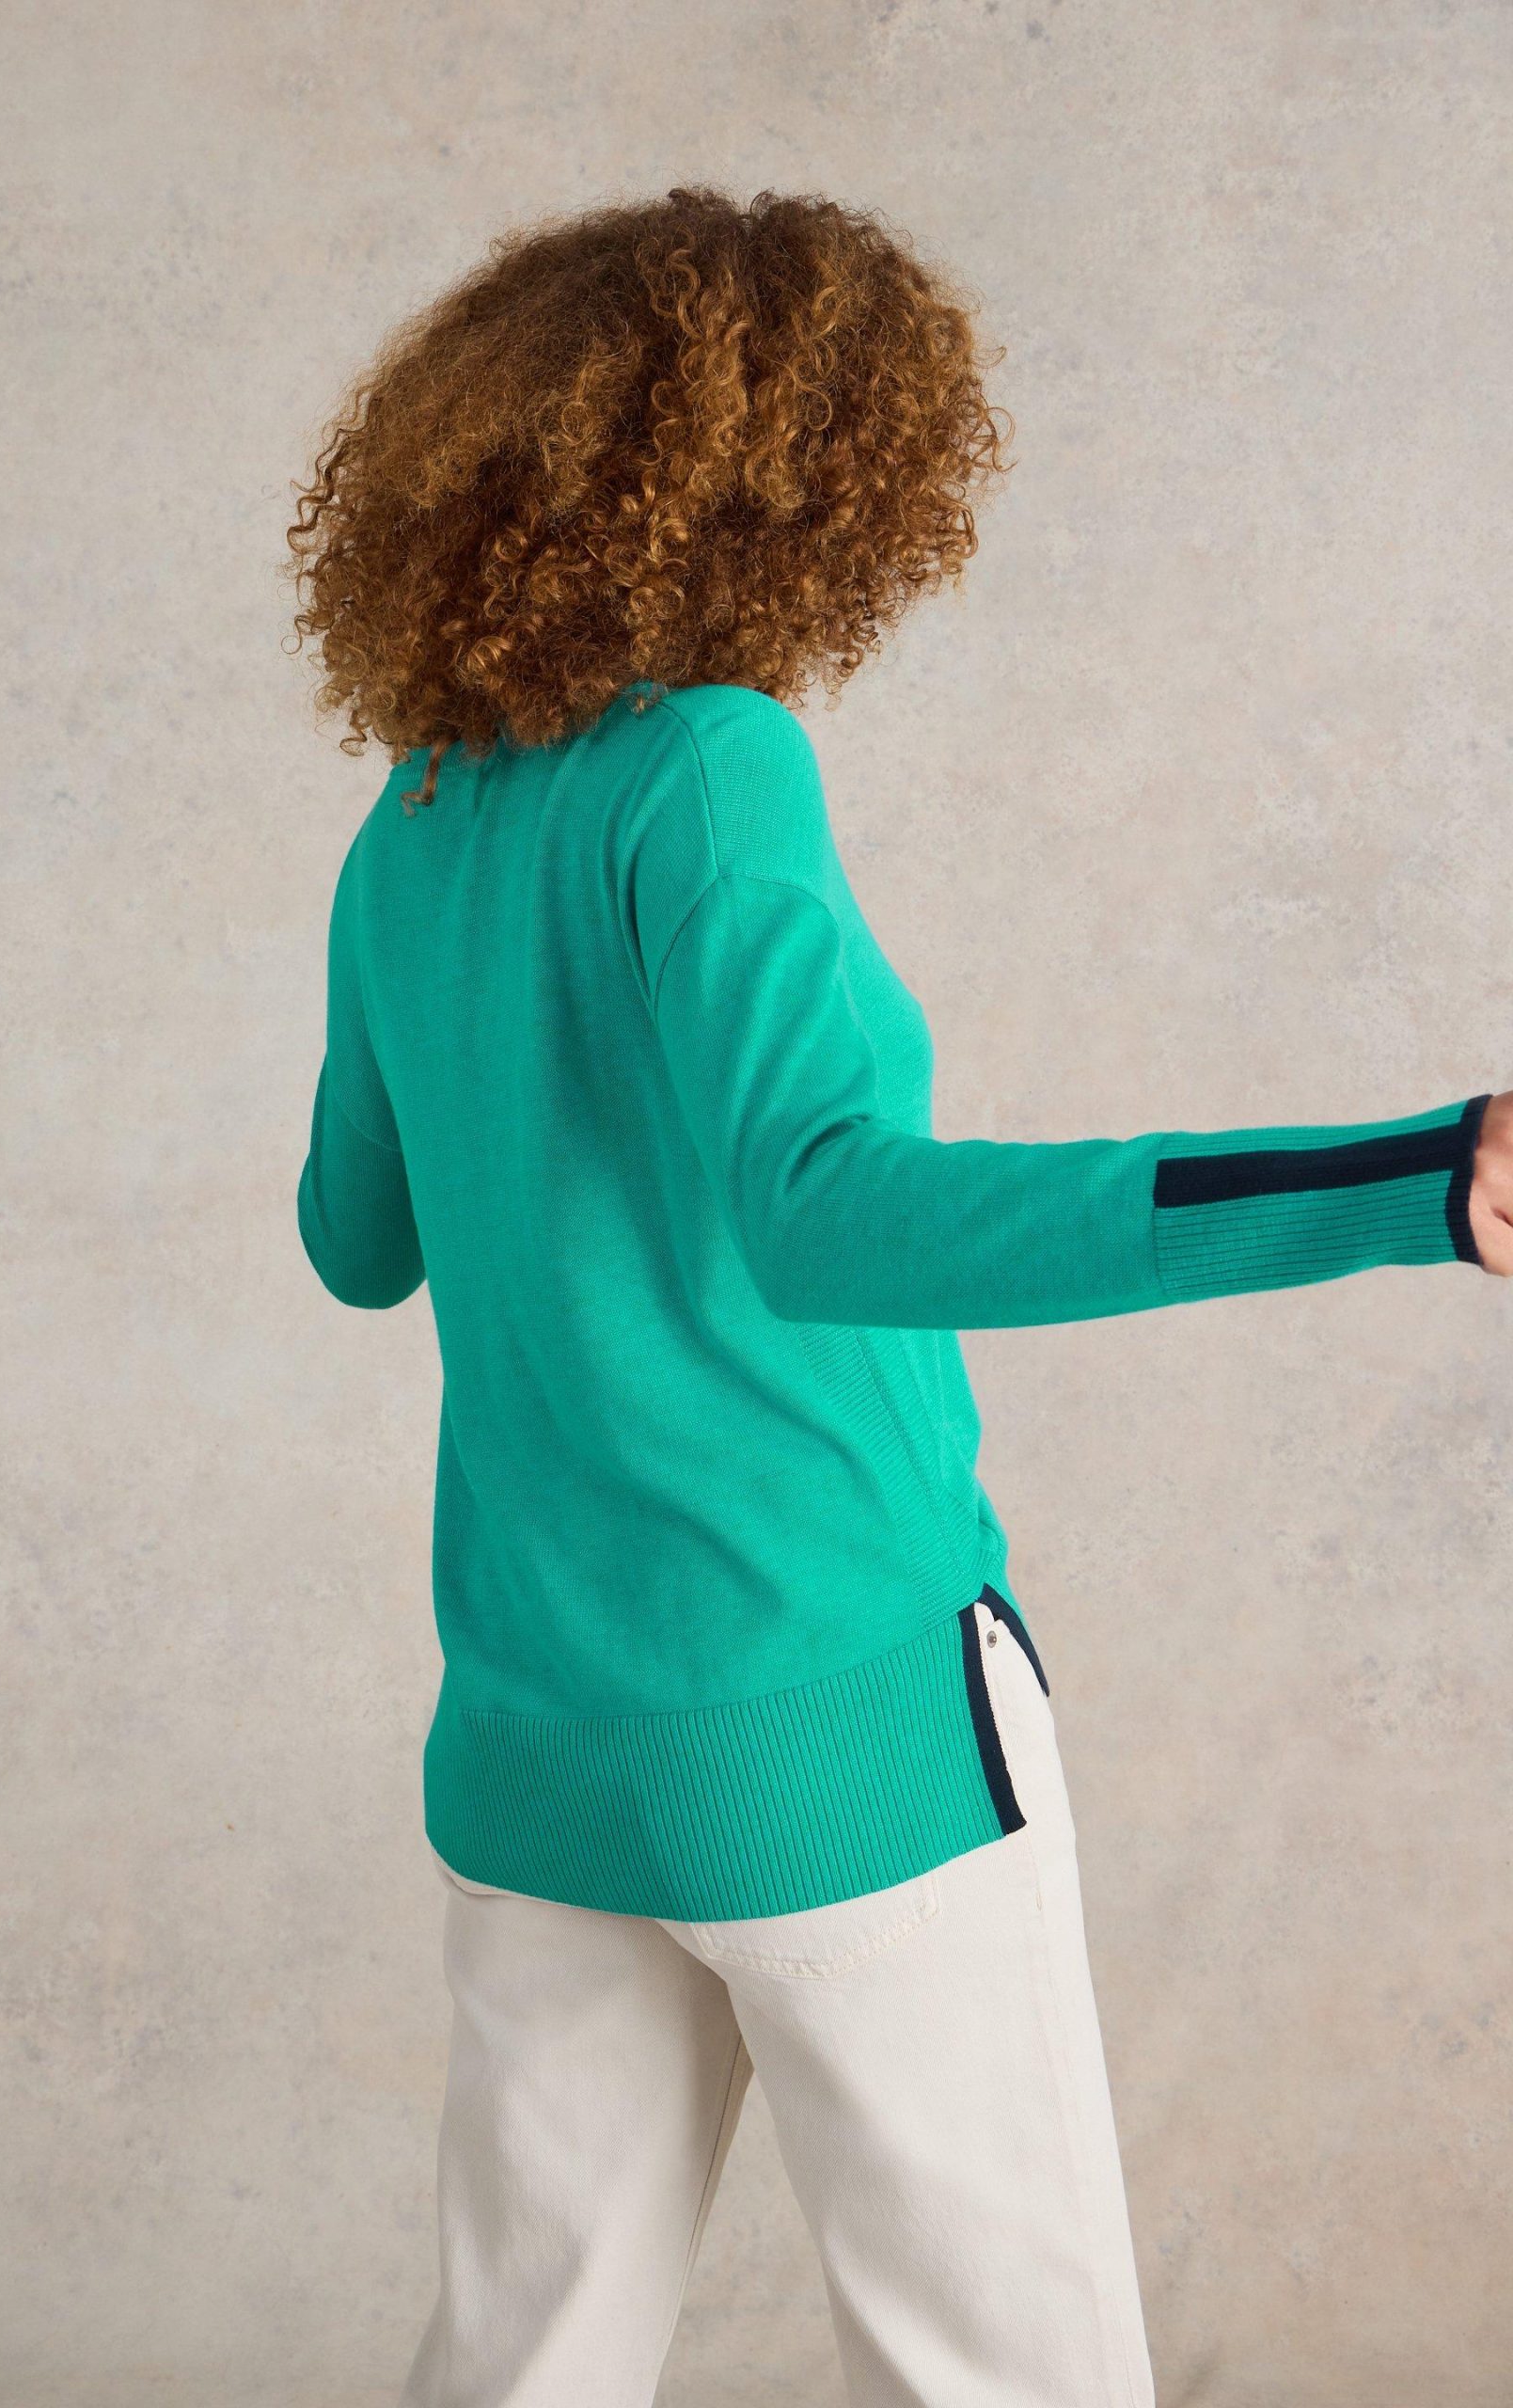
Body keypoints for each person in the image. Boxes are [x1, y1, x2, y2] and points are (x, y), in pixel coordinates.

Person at [284, 184, 1511, 2408]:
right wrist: (1417, 1174)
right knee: (1006, 2367)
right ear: (802, 481)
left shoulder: (418, 820)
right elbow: (837, 1214)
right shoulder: (712, 764)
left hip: (541, 1741)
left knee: (522, 2359)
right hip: (826, 1704)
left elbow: (352, 1240)